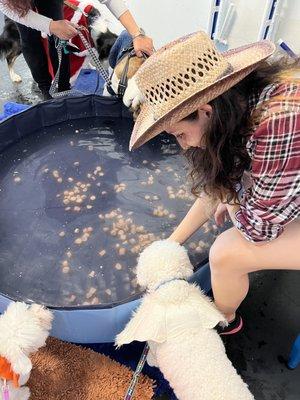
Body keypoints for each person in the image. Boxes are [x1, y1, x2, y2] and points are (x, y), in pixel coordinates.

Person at [128, 31, 300, 335]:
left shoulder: (276, 122)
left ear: (205, 111)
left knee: (225, 253)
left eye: (180, 134)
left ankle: (224, 320)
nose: (183, 146)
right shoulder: (239, 101)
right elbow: (218, 186)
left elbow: (257, 231)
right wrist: (168, 245)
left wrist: (234, 199)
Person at [0, 0, 153, 99]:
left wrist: (136, 34)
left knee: (59, 36)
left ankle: (63, 89)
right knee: (29, 39)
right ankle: (46, 91)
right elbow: (11, 10)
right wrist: (51, 26)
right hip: (16, 5)